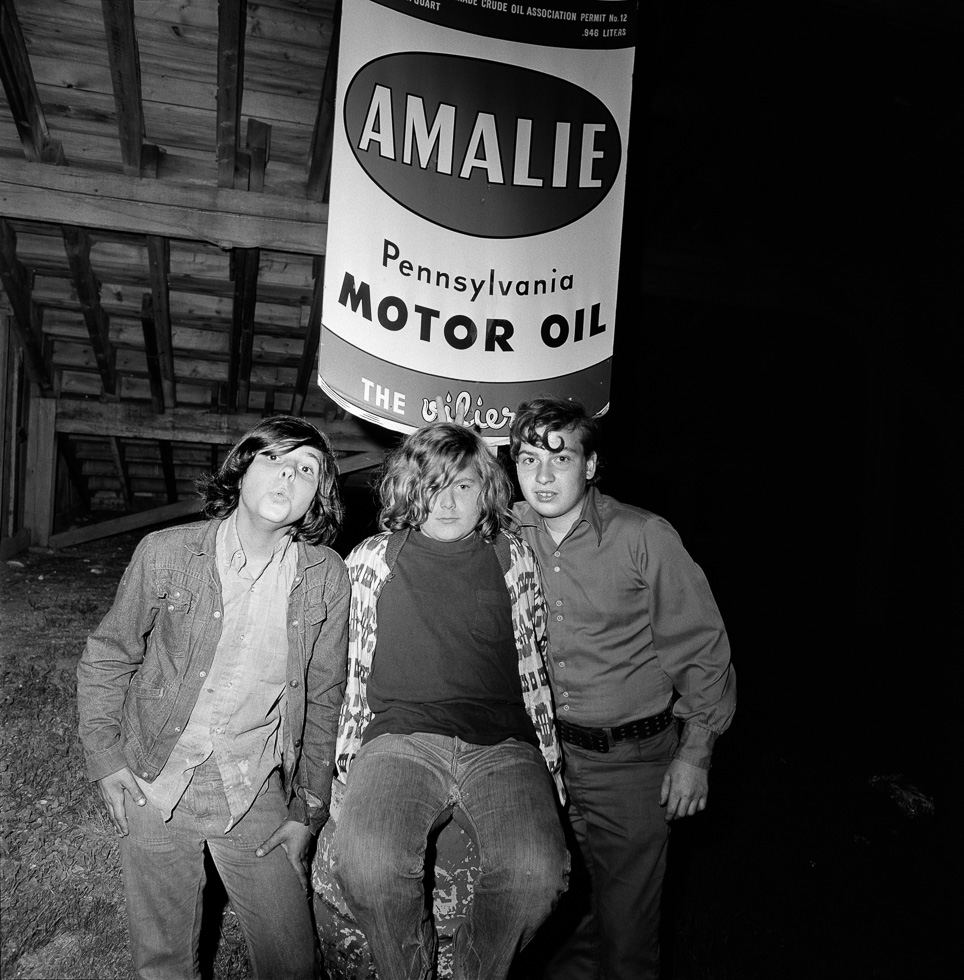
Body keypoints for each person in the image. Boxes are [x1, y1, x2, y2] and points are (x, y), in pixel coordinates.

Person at [77, 416, 350, 980]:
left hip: (250, 785)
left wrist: (308, 810)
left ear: (317, 495)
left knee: (293, 964)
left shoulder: (326, 576)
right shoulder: (167, 552)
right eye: (274, 460)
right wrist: (106, 757)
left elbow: (325, 697)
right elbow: (109, 653)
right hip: (157, 772)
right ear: (242, 468)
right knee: (162, 962)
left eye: (306, 469)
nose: (287, 477)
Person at [508, 397, 736, 980]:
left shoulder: (644, 537)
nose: (541, 475)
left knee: (628, 941)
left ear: (589, 466)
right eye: (528, 458)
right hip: (546, 764)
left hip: (632, 765)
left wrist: (696, 752)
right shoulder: (506, 534)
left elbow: (702, 648)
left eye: (559, 459)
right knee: (565, 919)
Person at [331, 422, 569, 980]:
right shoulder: (371, 559)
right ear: (409, 489)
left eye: (462, 486)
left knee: (538, 875)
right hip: (400, 739)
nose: (447, 501)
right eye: (432, 485)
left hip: (503, 744)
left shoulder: (513, 558)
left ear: (485, 490)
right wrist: (344, 765)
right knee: (366, 865)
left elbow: (534, 662)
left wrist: (549, 763)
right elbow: (347, 665)